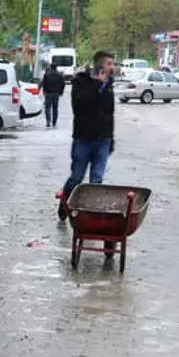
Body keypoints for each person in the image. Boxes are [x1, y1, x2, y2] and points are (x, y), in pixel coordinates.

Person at [59, 50, 117, 255]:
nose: (113, 67)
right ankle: (64, 204)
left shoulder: (109, 85)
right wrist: (95, 85)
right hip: (83, 139)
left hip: (102, 140)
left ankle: (90, 219)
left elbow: (110, 113)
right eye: (110, 63)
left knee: (96, 180)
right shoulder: (81, 81)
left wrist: (111, 138)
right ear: (100, 66)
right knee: (76, 177)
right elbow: (79, 106)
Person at [41, 62, 65, 128]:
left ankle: (48, 121)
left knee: (47, 108)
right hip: (56, 94)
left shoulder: (47, 74)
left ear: (51, 67)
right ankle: (54, 122)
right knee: (55, 108)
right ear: (56, 67)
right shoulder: (60, 75)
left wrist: (44, 91)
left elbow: (43, 83)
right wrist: (61, 92)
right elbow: (63, 84)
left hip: (48, 93)